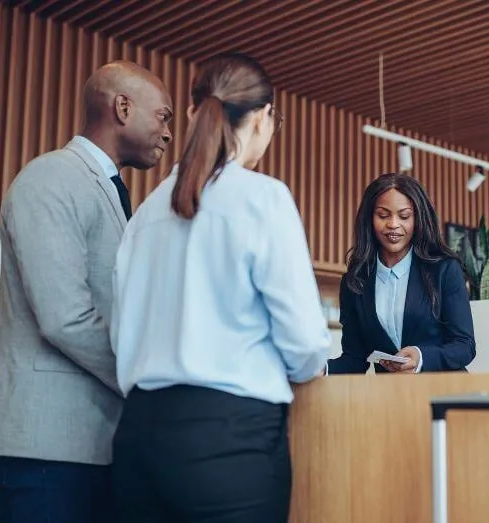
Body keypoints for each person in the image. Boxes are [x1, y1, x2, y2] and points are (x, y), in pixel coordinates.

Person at [109, 53, 330, 523]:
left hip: (138, 438)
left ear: (193, 114)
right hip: (230, 440)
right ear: (264, 118)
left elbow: (119, 333)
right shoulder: (262, 198)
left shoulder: (146, 212)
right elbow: (307, 343)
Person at [0, 61, 173, 523]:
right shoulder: (53, 178)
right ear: (123, 106)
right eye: (163, 116)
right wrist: (147, 380)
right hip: (45, 442)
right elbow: (64, 316)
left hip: (83, 444)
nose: (168, 134)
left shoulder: (108, 191)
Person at [327, 172, 476, 374]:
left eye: (404, 216)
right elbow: (354, 359)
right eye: (383, 215)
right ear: (370, 219)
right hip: (392, 397)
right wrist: (321, 368)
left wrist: (421, 357)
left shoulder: (444, 269)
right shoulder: (356, 281)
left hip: (444, 393)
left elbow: (464, 346)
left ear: (417, 219)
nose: (393, 224)